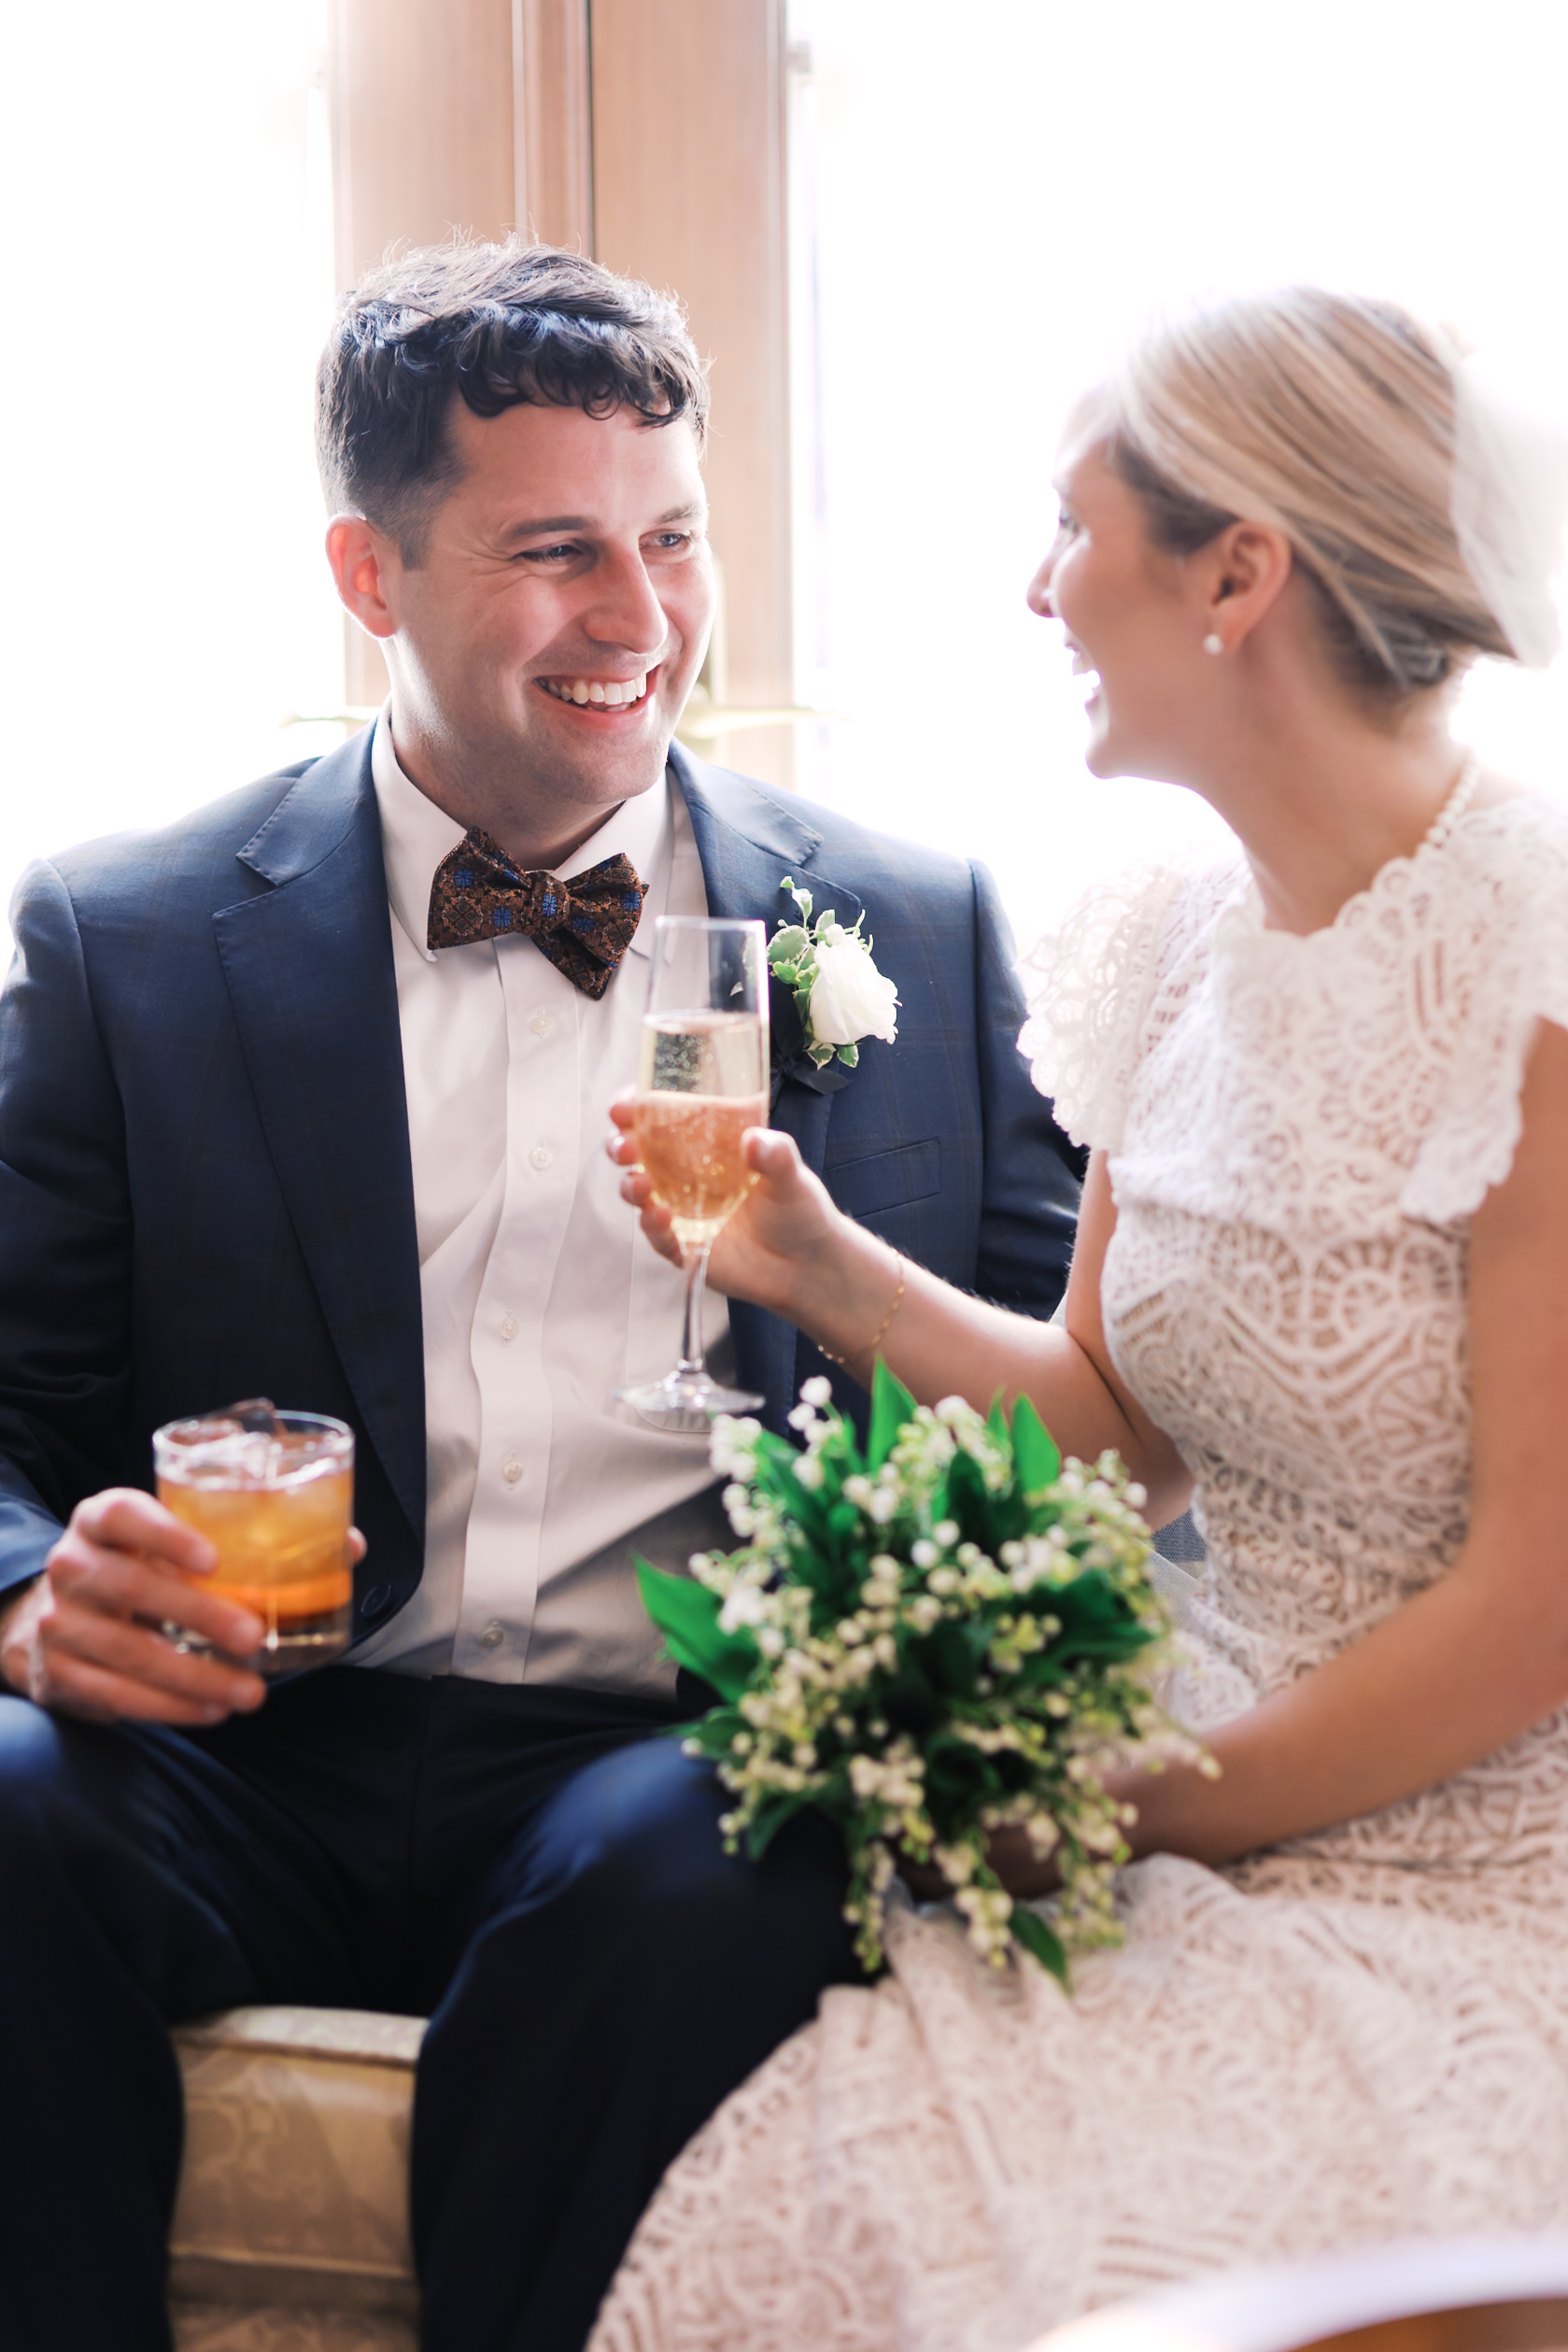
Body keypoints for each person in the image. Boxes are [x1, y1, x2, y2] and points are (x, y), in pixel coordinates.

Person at [0, 239, 1082, 2352]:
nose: (643, 618)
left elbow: (1069, 1414)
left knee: (716, 1872)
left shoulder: (916, 928)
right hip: (251, 1728)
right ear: (367, 569)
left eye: (673, 540)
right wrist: (30, 1594)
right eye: (559, 550)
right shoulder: (119, 935)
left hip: (656, 1736)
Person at [598, 287, 1568, 2348]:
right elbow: (1119, 1419)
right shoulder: (1170, 932)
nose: (1032, 589)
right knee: (806, 2173)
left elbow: (1539, 1601)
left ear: (1240, 572)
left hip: (1487, 1849)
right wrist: (818, 1264)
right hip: (1190, 1781)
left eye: (1068, 530)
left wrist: (1154, 1796)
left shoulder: (1535, 965)